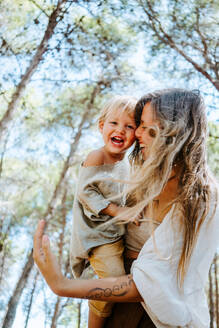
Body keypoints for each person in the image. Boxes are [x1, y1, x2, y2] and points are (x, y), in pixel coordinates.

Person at [33, 89, 219, 328]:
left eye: (143, 125)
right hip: (117, 302)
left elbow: (150, 285)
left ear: (174, 129)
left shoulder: (202, 198)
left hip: (154, 316)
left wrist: (62, 285)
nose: (137, 133)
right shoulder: (141, 180)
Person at [70, 95, 138, 328]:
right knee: (113, 280)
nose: (121, 130)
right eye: (114, 123)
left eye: (129, 126)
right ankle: (95, 323)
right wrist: (118, 211)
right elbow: (85, 193)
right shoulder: (96, 157)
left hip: (115, 232)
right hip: (97, 234)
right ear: (102, 126)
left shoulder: (127, 164)